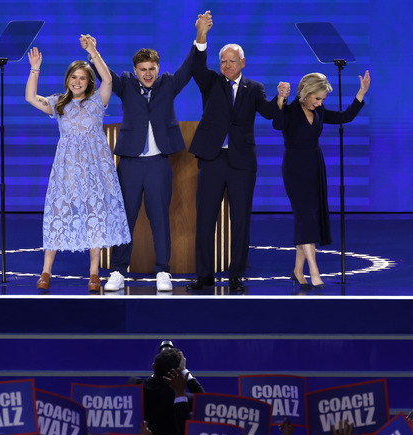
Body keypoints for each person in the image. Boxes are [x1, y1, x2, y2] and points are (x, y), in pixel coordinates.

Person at [82, 26, 198, 293]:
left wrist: (199, 39)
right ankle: (119, 271)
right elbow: (105, 75)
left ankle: (162, 271)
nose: (147, 73)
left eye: (152, 68)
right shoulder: (124, 83)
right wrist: (93, 52)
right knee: (125, 219)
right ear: (135, 71)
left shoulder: (169, 83)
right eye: (143, 69)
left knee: (160, 218)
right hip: (131, 163)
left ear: (158, 69)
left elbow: (189, 67)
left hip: (158, 163)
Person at [25, 36, 130, 293]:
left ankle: (94, 274)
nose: (78, 82)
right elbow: (30, 97)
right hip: (67, 170)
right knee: (57, 216)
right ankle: (46, 271)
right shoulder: (59, 104)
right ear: (67, 80)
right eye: (74, 77)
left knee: (94, 218)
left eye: (83, 78)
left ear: (88, 81)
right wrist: (35, 69)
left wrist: (93, 51)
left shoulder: (97, 102)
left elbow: (109, 80)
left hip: (96, 169)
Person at [187, 11, 279, 292]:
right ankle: (204, 275)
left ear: (243, 63)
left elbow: (269, 114)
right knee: (205, 218)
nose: (226, 65)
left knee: (241, 220)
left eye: (232, 61)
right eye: (223, 61)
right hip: (212, 159)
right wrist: (202, 34)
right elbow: (196, 66)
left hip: (241, 163)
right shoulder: (211, 82)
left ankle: (236, 274)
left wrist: (282, 99)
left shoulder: (255, 88)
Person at [272, 70, 370, 290]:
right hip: (295, 168)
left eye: (322, 99)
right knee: (305, 218)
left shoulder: (320, 111)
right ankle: (314, 271)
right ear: (306, 94)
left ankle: (298, 271)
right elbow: (277, 124)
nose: (319, 103)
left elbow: (345, 117)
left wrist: (361, 92)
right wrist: (280, 98)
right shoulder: (289, 110)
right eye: (317, 98)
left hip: (315, 166)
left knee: (308, 219)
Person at [127, 347, 202, 435]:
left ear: (153, 366)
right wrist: (184, 371)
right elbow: (203, 401)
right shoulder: (180, 397)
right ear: (177, 372)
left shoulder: (133, 385)